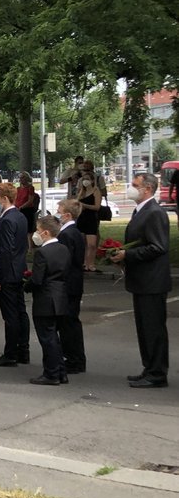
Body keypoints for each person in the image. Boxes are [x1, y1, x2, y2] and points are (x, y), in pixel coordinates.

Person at [110, 172, 171, 388]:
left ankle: (157, 373)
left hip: (152, 282)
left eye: (135, 185)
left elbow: (158, 246)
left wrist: (129, 255)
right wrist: (122, 256)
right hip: (142, 280)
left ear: (147, 188)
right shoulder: (141, 211)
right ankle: (149, 368)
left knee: (153, 329)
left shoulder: (154, 213)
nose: (130, 188)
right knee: (144, 328)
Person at [26, 216, 71, 386]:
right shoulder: (63, 249)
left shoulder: (43, 253)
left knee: (47, 338)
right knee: (55, 337)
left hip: (45, 299)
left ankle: (51, 373)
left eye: (37, 230)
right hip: (60, 297)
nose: (35, 234)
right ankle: (60, 371)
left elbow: (37, 280)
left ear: (45, 232)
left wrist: (27, 286)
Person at [0, 182, 31, 367]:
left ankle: (11, 352)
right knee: (20, 311)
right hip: (19, 268)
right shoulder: (20, 216)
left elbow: (5, 250)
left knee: (10, 315)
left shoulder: (7, 219)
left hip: (8, 272)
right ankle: (23, 349)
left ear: (5, 199)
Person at [55, 199, 86, 374]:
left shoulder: (67, 234)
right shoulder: (74, 233)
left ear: (67, 215)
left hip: (68, 285)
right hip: (74, 283)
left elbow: (64, 261)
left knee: (68, 323)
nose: (57, 213)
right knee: (70, 322)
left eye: (59, 211)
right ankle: (75, 358)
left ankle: (74, 359)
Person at [75, 161, 102, 271]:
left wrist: (85, 205)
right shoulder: (82, 192)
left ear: (91, 180)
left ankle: (91, 263)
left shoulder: (96, 191)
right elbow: (77, 203)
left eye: (87, 179)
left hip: (91, 218)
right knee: (82, 243)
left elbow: (97, 207)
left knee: (91, 244)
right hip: (82, 218)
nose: (85, 181)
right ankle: (85, 263)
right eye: (83, 179)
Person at [15, 171, 38, 248]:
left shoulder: (30, 188)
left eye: (23, 177)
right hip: (18, 209)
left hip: (27, 210)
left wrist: (21, 207)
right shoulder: (18, 189)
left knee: (29, 229)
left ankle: (30, 247)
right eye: (20, 178)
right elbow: (16, 199)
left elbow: (30, 200)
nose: (21, 179)